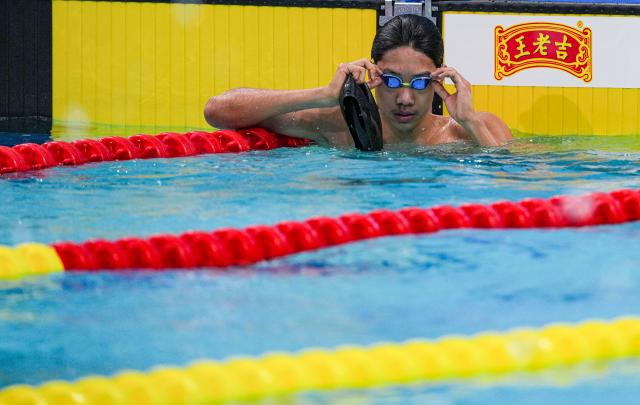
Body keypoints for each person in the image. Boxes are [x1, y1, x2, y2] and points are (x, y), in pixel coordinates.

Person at [204, 14, 512, 148]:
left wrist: (470, 121)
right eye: (391, 81)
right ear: (374, 73)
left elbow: (513, 181)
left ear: (438, 78)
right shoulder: (338, 125)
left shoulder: (471, 130)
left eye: (419, 83)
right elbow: (217, 110)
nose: (404, 98)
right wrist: (322, 95)